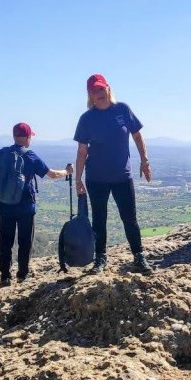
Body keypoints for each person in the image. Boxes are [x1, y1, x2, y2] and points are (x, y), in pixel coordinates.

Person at [73, 73, 154, 274]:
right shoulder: (86, 119)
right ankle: (100, 259)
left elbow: (137, 135)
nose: (99, 93)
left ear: (108, 89)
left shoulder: (123, 109)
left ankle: (138, 256)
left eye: (101, 89)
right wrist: (78, 179)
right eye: (94, 91)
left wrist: (144, 161)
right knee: (99, 220)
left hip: (122, 177)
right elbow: (82, 151)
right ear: (89, 95)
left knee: (130, 218)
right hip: (96, 179)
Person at [0, 122, 72, 287]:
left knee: (5, 243)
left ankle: (5, 277)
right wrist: (67, 172)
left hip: (4, 207)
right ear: (28, 137)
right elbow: (52, 174)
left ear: (14, 136)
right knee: (25, 242)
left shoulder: (2, 153)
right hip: (25, 208)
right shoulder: (30, 156)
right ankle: (22, 275)